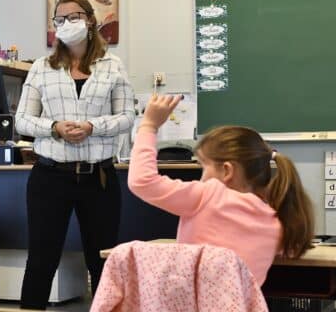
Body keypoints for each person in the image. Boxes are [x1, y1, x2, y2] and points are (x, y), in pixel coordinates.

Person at [15, 0, 135, 309]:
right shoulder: (42, 68)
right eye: (60, 19)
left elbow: (127, 117)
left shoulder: (113, 65)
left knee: (103, 263)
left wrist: (93, 126)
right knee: (41, 260)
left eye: (74, 16)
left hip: (99, 177)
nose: (67, 24)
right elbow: (22, 120)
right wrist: (54, 127)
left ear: (91, 20)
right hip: (50, 176)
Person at [128, 94, 314, 285]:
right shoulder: (276, 223)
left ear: (227, 170)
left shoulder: (208, 195)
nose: (202, 177)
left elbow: (142, 181)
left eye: (204, 167)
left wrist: (149, 125)